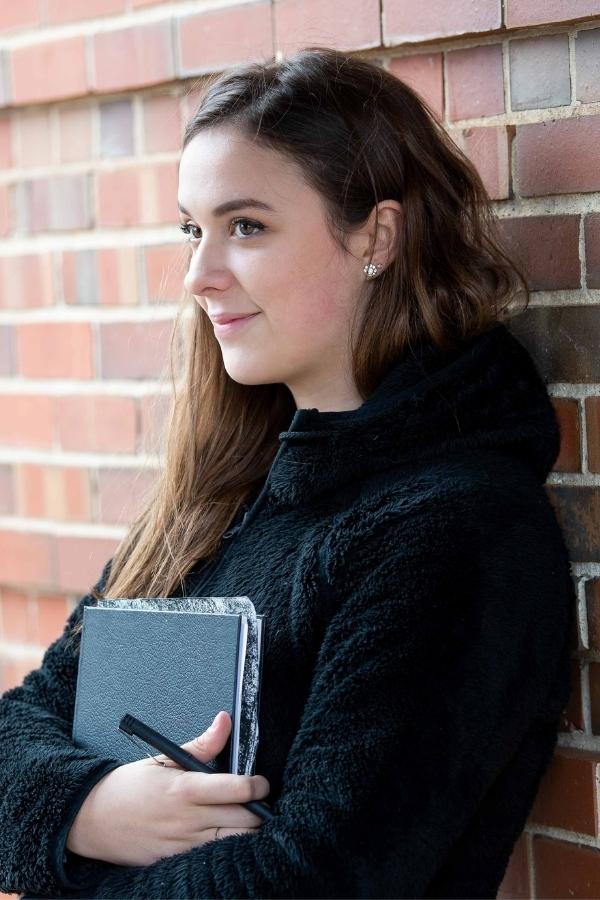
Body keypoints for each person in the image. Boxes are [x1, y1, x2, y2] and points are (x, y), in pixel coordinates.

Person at [0, 46, 575, 900]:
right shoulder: (221, 500)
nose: (198, 274)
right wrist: (92, 809)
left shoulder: (456, 531)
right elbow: (21, 723)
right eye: (193, 229)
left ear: (377, 236)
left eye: (247, 226)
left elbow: (317, 877)